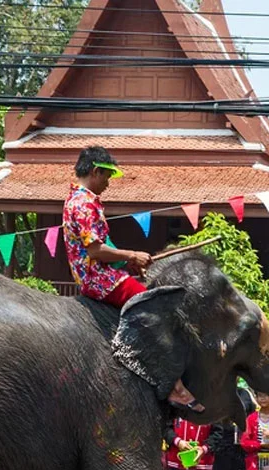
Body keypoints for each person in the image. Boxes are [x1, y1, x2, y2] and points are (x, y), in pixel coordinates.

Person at [62, 145, 199, 411]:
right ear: (95, 170)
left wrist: (127, 261)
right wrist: (133, 254)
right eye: (107, 176)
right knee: (153, 309)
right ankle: (174, 386)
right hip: (97, 278)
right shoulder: (85, 203)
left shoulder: (75, 199)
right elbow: (95, 249)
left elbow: (100, 246)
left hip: (97, 273)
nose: (109, 183)